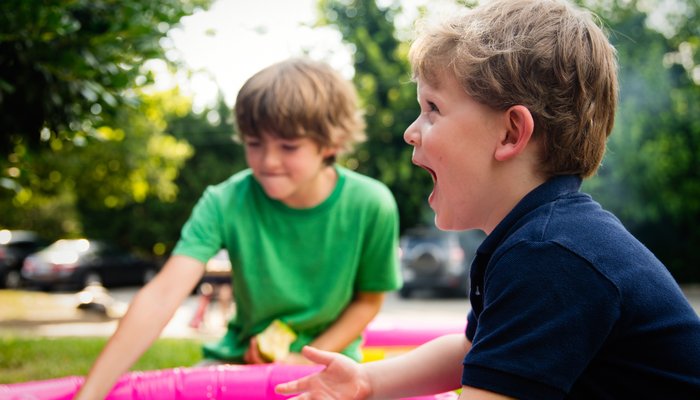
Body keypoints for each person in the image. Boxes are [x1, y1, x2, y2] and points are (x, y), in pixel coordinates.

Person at [275, 0, 700, 399]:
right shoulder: (539, 238)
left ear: (512, 133)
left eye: (432, 108)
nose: (410, 130)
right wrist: (367, 381)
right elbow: (471, 351)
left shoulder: (551, 255)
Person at [74, 57, 402, 399]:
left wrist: (301, 360)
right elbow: (162, 295)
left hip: (330, 368)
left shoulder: (371, 204)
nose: (268, 161)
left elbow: (368, 301)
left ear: (330, 144)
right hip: (237, 363)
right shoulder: (224, 201)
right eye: (254, 143)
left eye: (288, 146)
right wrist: (91, 394)